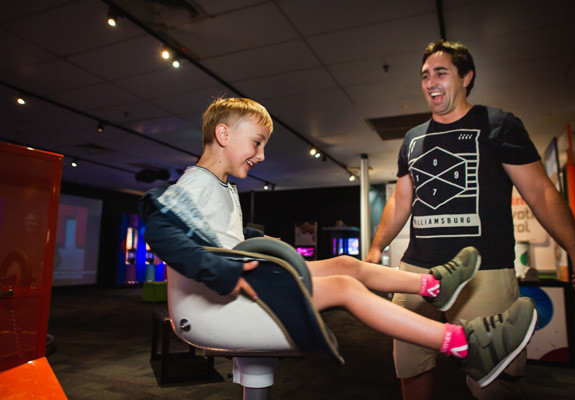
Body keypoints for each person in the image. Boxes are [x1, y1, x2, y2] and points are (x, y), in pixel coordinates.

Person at [139, 97, 537, 389]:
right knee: (346, 287)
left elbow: (214, 236)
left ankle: (432, 285)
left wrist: (252, 239)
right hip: (215, 305)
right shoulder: (195, 183)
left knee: (346, 266)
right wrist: (221, 268)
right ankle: (465, 345)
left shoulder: (220, 187)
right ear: (223, 134)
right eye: (257, 142)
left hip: (237, 289)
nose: (261, 155)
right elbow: (158, 226)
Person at [366, 39, 575, 400]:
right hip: (417, 272)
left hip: (484, 272)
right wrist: (377, 246)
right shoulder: (412, 139)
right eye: (425, 75)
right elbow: (400, 200)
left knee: (496, 378)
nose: (430, 82)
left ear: (466, 77)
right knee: (411, 365)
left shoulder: (498, 124)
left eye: (441, 73)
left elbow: (540, 193)